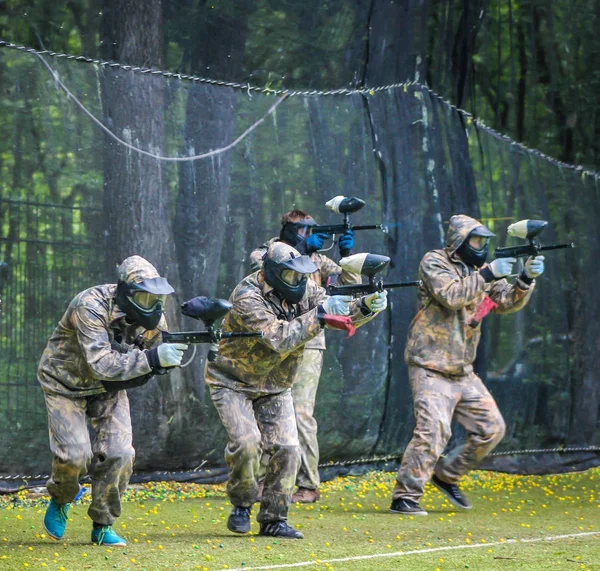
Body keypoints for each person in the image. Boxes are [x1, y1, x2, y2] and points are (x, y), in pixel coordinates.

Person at [206, 241, 387, 539]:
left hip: (276, 383)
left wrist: (365, 307)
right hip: (232, 381)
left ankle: (274, 519)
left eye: (301, 276)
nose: (299, 282)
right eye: (291, 276)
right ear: (273, 273)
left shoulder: (303, 287)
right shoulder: (247, 296)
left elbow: (335, 309)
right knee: (247, 443)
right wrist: (320, 315)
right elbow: (279, 337)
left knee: (288, 449)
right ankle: (242, 503)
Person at [391, 214, 544, 515]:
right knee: (433, 429)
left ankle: (447, 476)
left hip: (462, 370)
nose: (481, 246)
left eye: (484, 242)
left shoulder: (480, 270)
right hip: (429, 365)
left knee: (492, 429)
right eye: (476, 241)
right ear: (459, 241)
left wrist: (526, 279)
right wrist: (488, 274)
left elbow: (504, 302)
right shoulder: (434, 261)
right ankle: (405, 496)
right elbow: (450, 296)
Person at [38, 255, 188, 546]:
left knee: (120, 453)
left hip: (109, 389)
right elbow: (101, 364)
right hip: (65, 382)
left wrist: (171, 354)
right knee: (74, 456)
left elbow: (156, 354)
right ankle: (62, 497)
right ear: (127, 293)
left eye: (158, 297)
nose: (154, 305)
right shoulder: (90, 306)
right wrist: (153, 358)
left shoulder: (155, 317)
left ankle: (103, 524)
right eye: (146, 297)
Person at [249, 210, 359, 504]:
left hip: (309, 342)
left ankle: (308, 484)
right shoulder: (266, 251)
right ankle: (263, 481)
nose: (309, 236)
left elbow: (346, 290)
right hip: (274, 338)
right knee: (267, 409)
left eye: (312, 231)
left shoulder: (319, 261)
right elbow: (263, 267)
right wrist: (303, 252)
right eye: (303, 230)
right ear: (287, 229)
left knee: (301, 414)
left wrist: (347, 257)